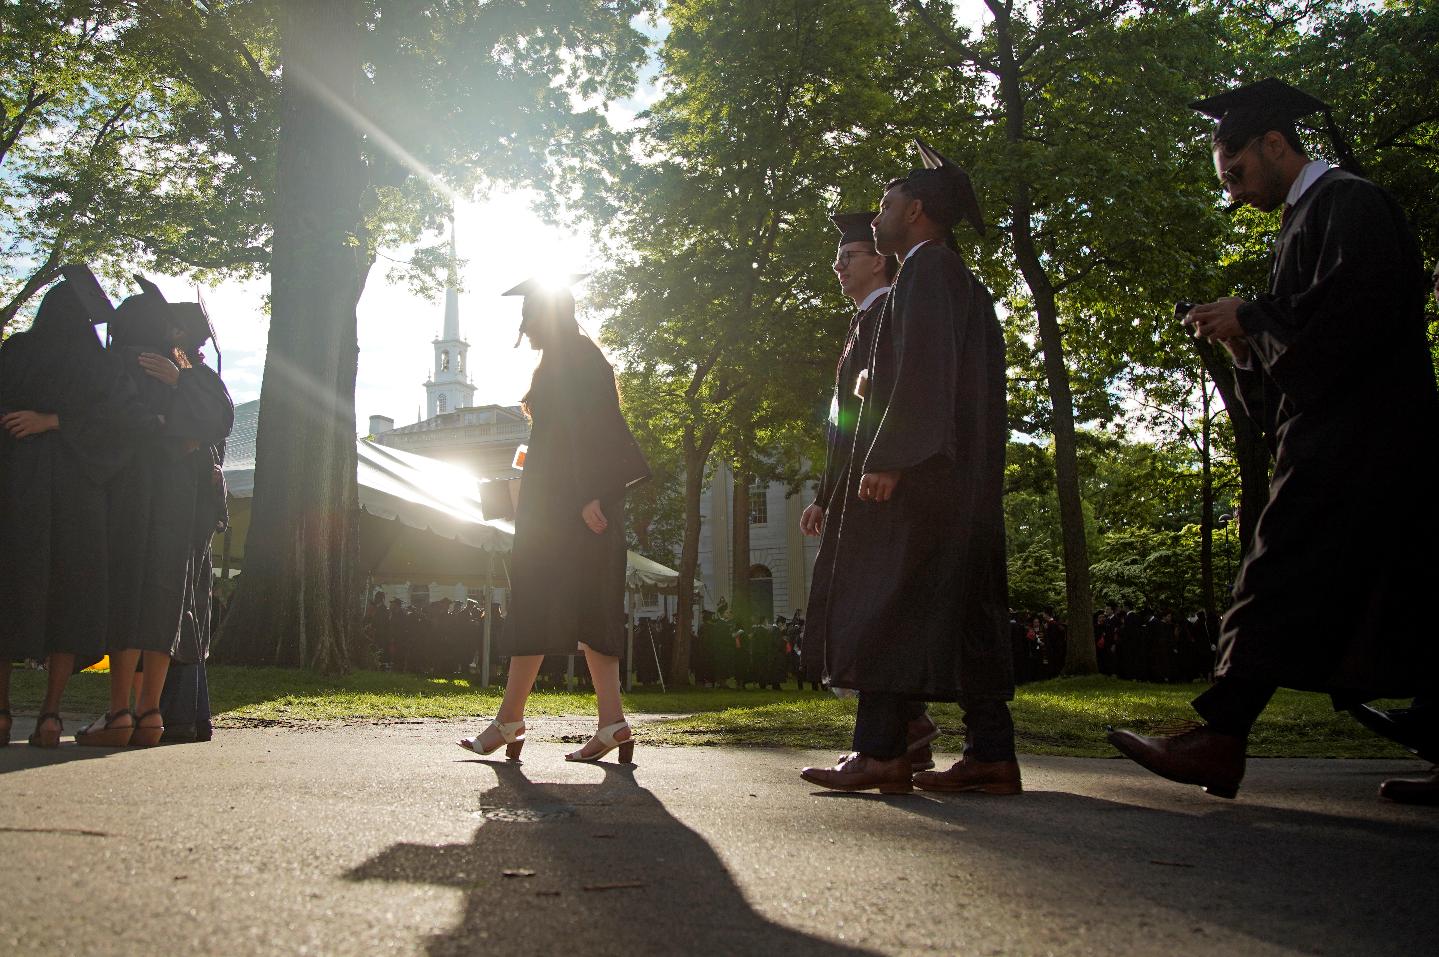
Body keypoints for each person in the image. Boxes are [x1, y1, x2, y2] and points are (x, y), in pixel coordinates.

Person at [1109, 79, 1439, 800]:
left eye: (1235, 172)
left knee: (1273, 570)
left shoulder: (1348, 204)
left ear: (1275, 144)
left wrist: (1252, 315)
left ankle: (1220, 735)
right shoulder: (1308, 218)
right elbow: (1299, 347)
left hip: (1359, 440)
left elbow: (1352, 320)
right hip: (1353, 438)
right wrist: (1241, 342)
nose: (1230, 192)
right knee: (1406, 592)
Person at [800, 140, 1014, 795]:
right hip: (958, 480)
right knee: (963, 615)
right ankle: (990, 753)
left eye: (889, 203)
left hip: (922, 477)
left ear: (916, 211)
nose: (880, 214)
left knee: (884, 603)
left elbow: (923, 374)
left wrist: (889, 456)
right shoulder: (954, 277)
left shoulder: (925, 272)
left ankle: (882, 750)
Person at [458, 278, 649, 763]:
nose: (524, 328)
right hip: (556, 508)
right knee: (572, 608)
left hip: (575, 512)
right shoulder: (567, 360)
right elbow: (558, 440)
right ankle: (611, 723)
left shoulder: (579, 360)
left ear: (546, 316)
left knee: (549, 604)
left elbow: (597, 432)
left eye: (528, 319)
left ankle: (511, 721)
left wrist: (591, 495)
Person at [800, 209, 939, 771]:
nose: (838, 266)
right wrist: (824, 494)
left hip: (879, 488)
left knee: (867, 608)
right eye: (837, 257)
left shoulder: (887, 315)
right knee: (860, 607)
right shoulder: (864, 321)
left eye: (848, 256)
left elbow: (888, 405)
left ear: (878, 260)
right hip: (856, 484)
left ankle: (898, 731)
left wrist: (877, 469)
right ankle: (908, 728)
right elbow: (844, 423)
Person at [0, 267, 161, 747]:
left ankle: (3, 713)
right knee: (68, 598)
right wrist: (62, 424)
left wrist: (42, 421)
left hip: (16, 490)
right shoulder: (102, 364)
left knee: (8, 592)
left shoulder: (15, 352)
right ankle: (50, 716)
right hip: (79, 495)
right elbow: (126, 427)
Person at [77, 277, 234, 747]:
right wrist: (176, 426)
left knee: (143, 595)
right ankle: (155, 714)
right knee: (171, 598)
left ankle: (131, 711)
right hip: (178, 499)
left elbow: (107, 422)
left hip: (144, 494)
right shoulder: (186, 373)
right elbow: (211, 424)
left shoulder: (172, 370)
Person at [157, 298, 232, 743]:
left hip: (191, 508)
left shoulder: (198, 378)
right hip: (185, 505)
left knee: (184, 603)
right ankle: (185, 713)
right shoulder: (194, 377)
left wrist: (180, 385)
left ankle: (184, 712)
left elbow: (213, 425)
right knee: (185, 604)